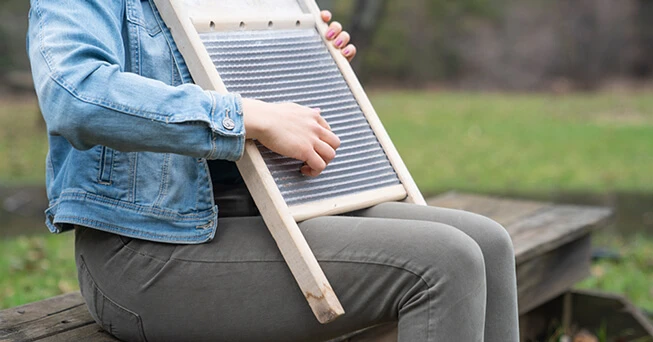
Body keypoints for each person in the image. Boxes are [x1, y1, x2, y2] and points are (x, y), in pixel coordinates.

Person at [27, 0, 519, 341]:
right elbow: (74, 94)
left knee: (489, 244)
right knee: (446, 261)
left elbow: (254, 88)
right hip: (146, 252)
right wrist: (250, 116)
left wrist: (312, 56)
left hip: (263, 216)